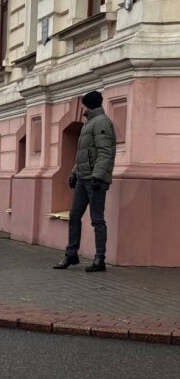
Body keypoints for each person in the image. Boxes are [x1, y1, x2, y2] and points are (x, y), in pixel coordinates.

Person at [54, 90, 116, 272]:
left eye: (83, 104)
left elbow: (105, 152)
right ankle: (71, 254)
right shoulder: (89, 123)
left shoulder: (102, 123)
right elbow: (85, 154)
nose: (81, 107)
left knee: (97, 220)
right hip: (83, 178)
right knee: (74, 216)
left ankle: (100, 259)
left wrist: (97, 175)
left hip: (95, 180)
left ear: (89, 105)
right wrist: (75, 172)